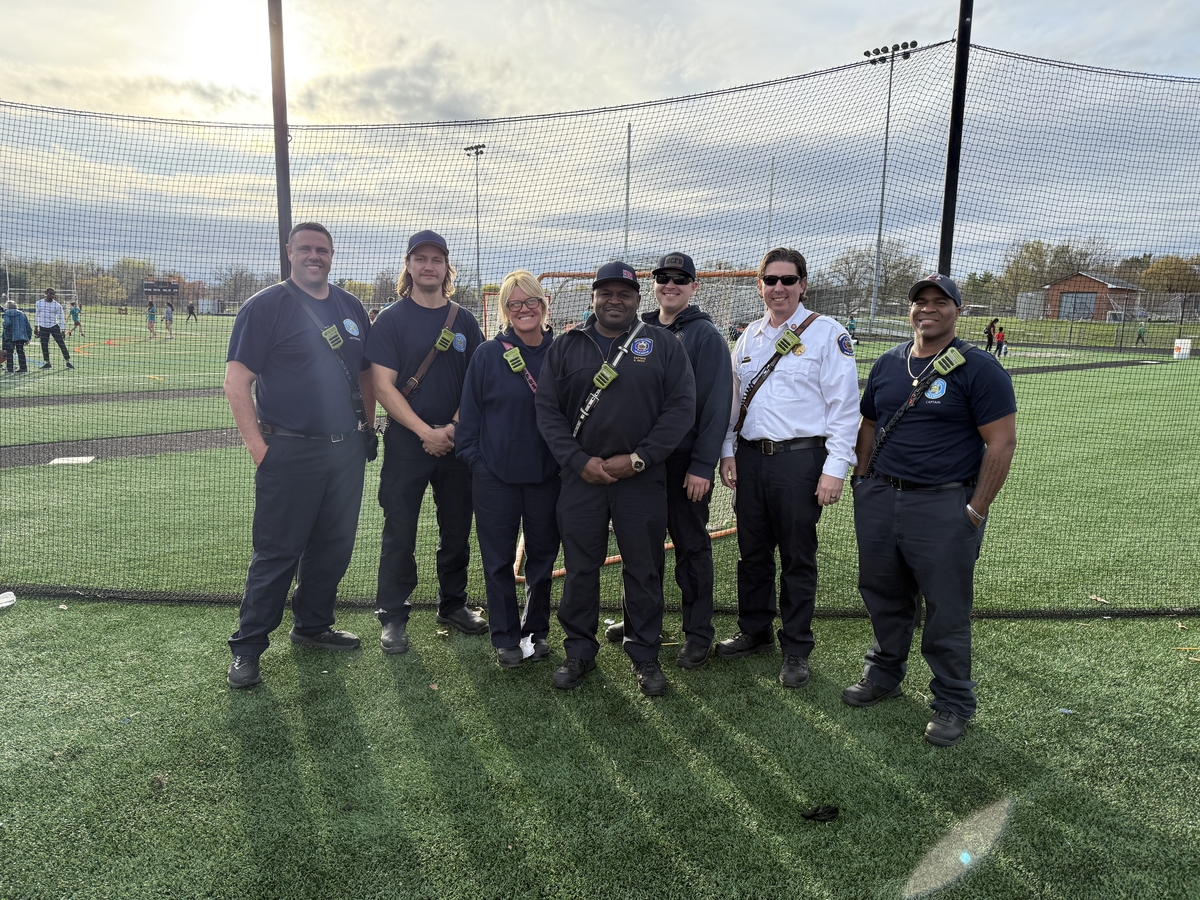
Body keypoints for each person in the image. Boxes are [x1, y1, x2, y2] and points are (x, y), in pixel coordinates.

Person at [843, 273, 1017, 747]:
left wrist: (976, 510)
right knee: (881, 592)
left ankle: (953, 701)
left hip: (944, 502)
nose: (929, 309)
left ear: (958, 311)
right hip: (881, 497)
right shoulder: (887, 363)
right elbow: (869, 424)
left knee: (946, 608)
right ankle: (883, 674)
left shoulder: (980, 369)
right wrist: (862, 480)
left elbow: (1001, 444)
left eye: (941, 302)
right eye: (921, 301)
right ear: (911, 310)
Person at [223, 222, 376, 689]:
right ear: (289, 252)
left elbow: (366, 375)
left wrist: (367, 427)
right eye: (306, 248)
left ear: (333, 255)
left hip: (345, 451)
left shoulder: (351, 307)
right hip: (288, 449)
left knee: (334, 545)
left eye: (323, 250)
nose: (315, 256)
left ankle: (312, 625)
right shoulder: (265, 306)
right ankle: (248, 648)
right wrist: (260, 450)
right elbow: (236, 382)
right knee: (277, 553)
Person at [536, 260, 695, 696]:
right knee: (580, 570)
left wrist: (641, 459)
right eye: (606, 292)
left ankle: (644, 656)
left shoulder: (662, 344)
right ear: (593, 297)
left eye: (624, 294)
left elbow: (681, 408)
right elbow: (547, 411)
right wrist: (577, 460)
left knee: (642, 571)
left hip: (641, 481)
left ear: (637, 300)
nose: (614, 300)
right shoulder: (567, 345)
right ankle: (579, 652)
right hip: (580, 478)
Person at [716, 248, 859, 688]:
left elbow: (845, 408)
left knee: (798, 557)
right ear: (759, 285)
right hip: (751, 458)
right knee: (752, 552)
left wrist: (836, 468)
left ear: (802, 285)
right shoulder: (748, 338)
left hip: (801, 460)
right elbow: (734, 404)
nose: (778, 288)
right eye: (770, 280)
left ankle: (796, 647)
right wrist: (726, 451)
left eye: (788, 280)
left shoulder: (827, 334)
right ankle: (755, 630)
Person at [604, 251, 733, 669]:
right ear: (653, 284)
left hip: (682, 465)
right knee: (642, 549)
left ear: (694, 286)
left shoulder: (705, 335)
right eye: (663, 278)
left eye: (680, 279)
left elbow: (716, 406)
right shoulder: (636, 328)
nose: (670, 285)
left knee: (691, 549)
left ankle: (698, 634)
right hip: (642, 462)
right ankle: (643, 622)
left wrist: (701, 466)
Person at [366, 230, 487, 654]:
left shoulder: (464, 320)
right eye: (421, 259)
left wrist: (451, 429)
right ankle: (393, 616)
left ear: (446, 268)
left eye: (437, 259)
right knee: (399, 530)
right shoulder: (392, 319)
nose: (429, 266)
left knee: (456, 529)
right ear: (409, 265)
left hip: (457, 443)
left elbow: (478, 382)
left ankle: (452, 604)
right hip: (407, 441)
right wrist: (424, 431)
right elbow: (383, 386)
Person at [457, 270, 560, 668]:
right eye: (514, 304)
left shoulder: (561, 351)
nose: (523, 310)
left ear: (543, 304)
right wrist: (480, 465)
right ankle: (505, 637)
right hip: (495, 479)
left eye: (530, 301)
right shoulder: (487, 354)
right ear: (505, 310)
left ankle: (534, 631)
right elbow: (469, 421)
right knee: (498, 561)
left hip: (547, 479)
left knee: (542, 559)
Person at [35, 288, 74, 370]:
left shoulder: (57, 305)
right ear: (46, 293)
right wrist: (36, 327)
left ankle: (68, 361)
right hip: (43, 327)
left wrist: (63, 330)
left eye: (53, 294)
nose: (52, 296)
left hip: (54, 326)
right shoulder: (39, 303)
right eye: (50, 294)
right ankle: (47, 363)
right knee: (44, 345)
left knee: (61, 344)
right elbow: (37, 315)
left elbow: (61, 318)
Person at [3, 299, 33, 374]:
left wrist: (4, 327)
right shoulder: (22, 314)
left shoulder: (7, 313)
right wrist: (28, 338)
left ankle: (10, 369)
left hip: (10, 335)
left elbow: (7, 323)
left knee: (9, 352)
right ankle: (23, 368)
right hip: (21, 336)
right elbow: (28, 326)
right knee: (20, 351)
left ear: (8, 307)